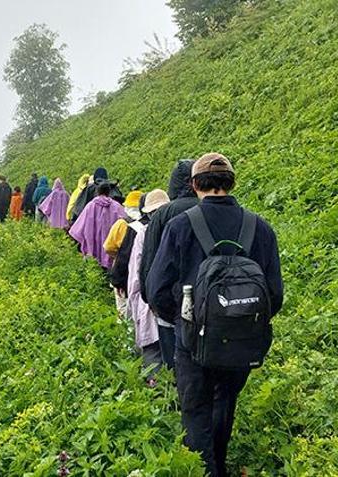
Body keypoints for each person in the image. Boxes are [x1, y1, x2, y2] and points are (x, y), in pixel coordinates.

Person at [147, 153, 283, 477]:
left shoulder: (180, 226)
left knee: (195, 411)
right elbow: (274, 295)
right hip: (242, 341)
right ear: (231, 183)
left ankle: (206, 470)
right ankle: (218, 464)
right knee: (225, 403)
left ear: (194, 185)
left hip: (192, 341)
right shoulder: (260, 228)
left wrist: (183, 321)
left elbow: (156, 289)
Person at [140, 158, 199, 367]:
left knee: (175, 366)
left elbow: (150, 261)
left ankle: (176, 397)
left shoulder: (163, 214)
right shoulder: (210, 208)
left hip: (172, 305)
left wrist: (152, 299)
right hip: (210, 304)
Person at [126, 189, 171, 384]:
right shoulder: (180, 227)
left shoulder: (144, 233)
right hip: (175, 306)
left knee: (153, 355)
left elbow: (135, 275)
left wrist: (132, 307)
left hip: (149, 302)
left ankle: (156, 397)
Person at [69, 182, 127, 269]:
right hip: (109, 248)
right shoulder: (117, 206)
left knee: (93, 268)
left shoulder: (90, 206)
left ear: (97, 192)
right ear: (109, 192)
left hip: (92, 245)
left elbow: (79, 227)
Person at [104, 190, 143, 319]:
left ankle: (125, 334)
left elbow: (108, 246)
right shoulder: (148, 224)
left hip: (122, 271)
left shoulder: (121, 223)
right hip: (141, 272)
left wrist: (116, 255)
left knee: (123, 308)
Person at [103, 190, 143, 258]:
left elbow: (108, 247)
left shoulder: (121, 224)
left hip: (125, 262)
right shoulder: (151, 222)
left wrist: (118, 256)